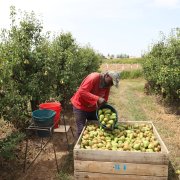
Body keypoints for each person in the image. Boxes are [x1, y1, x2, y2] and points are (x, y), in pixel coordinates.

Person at [70, 71, 120, 138]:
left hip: (91, 107)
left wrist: (105, 110)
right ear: (107, 76)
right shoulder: (94, 77)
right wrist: (97, 99)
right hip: (80, 106)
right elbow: (81, 91)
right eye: (111, 82)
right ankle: (78, 146)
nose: (111, 84)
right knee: (81, 130)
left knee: (98, 125)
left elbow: (105, 98)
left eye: (112, 84)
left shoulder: (107, 85)